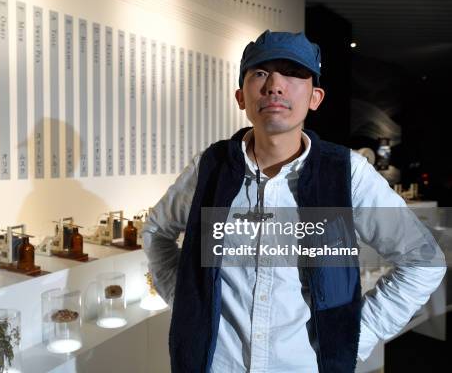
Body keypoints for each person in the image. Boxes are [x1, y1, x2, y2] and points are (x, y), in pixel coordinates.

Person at [142, 30, 446, 373]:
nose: (275, 85)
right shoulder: (210, 168)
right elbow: (157, 231)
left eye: (292, 73)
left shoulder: (347, 173)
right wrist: (185, 303)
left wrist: (361, 332)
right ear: (241, 96)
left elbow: (423, 260)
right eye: (260, 73)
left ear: (315, 97)